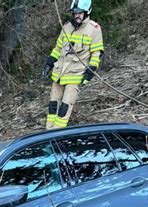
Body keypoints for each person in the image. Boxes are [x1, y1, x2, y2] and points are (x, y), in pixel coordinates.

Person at [43, 0, 104, 129]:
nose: (77, 15)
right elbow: (58, 49)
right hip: (59, 74)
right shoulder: (67, 26)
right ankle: (48, 131)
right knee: (53, 105)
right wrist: (49, 63)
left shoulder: (94, 29)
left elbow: (96, 54)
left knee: (65, 107)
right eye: (75, 13)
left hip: (75, 75)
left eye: (80, 13)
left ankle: (57, 132)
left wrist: (89, 73)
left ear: (87, 12)